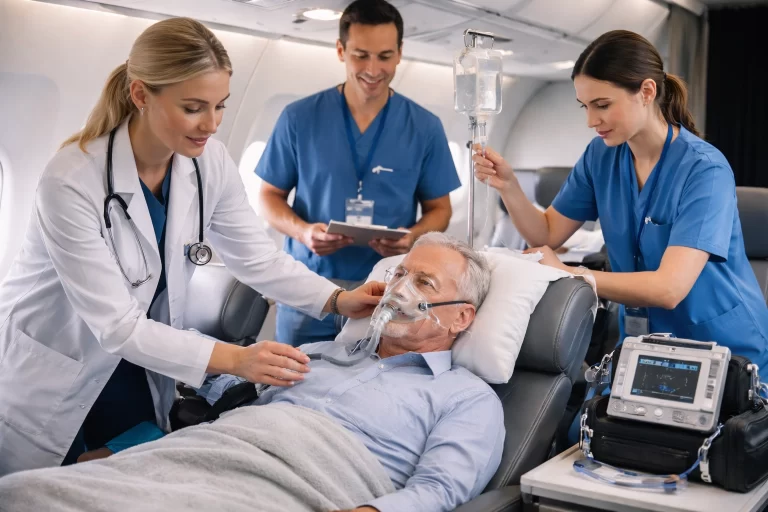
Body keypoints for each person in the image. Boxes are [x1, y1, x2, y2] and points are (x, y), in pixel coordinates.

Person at [0, 17, 385, 476]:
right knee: (47, 492)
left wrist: (338, 300)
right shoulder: (72, 180)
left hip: (143, 368)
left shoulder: (208, 164)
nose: (212, 124)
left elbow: (256, 257)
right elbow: (117, 327)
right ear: (141, 95)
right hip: (60, 367)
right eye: (194, 107)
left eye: (220, 106)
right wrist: (238, 359)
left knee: (123, 488)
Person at [0, 233, 505, 512]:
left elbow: (440, 489)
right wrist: (139, 438)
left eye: (423, 281)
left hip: (310, 482)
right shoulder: (323, 351)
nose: (399, 288)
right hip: (216, 453)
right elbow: (214, 398)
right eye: (399, 272)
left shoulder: (466, 398)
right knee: (22, 493)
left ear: (462, 317)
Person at [474, 29, 768, 374]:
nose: (590, 121)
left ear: (646, 92)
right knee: (592, 429)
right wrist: (508, 186)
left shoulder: (705, 170)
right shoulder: (601, 156)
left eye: (602, 105)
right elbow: (547, 235)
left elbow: (669, 287)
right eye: (585, 106)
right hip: (642, 340)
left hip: (720, 347)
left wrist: (572, 274)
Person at [256, 0, 461, 346]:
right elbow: (267, 197)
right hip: (311, 289)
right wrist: (305, 233)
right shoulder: (299, 118)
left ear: (399, 54)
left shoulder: (424, 127)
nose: (373, 68)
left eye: (384, 56)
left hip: (386, 290)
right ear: (341, 50)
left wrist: (412, 237)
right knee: (291, 385)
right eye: (361, 55)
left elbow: (441, 210)